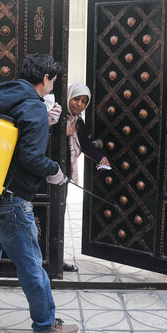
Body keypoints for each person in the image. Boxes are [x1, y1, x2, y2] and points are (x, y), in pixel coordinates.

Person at [0, 54, 80, 333]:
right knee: (31, 266)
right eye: (53, 81)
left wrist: (42, 123)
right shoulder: (33, 108)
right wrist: (56, 171)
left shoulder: (1, 99)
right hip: (12, 201)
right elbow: (31, 158)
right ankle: (45, 325)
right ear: (46, 78)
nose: (53, 87)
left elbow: (8, 143)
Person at [56, 83, 110, 272]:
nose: (79, 104)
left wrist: (100, 157)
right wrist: (62, 133)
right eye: (76, 99)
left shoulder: (78, 122)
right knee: (49, 218)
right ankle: (48, 261)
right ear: (68, 96)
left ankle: (56, 260)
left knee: (59, 219)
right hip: (48, 176)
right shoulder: (56, 116)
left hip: (64, 177)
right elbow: (42, 139)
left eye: (83, 101)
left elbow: (85, 146)